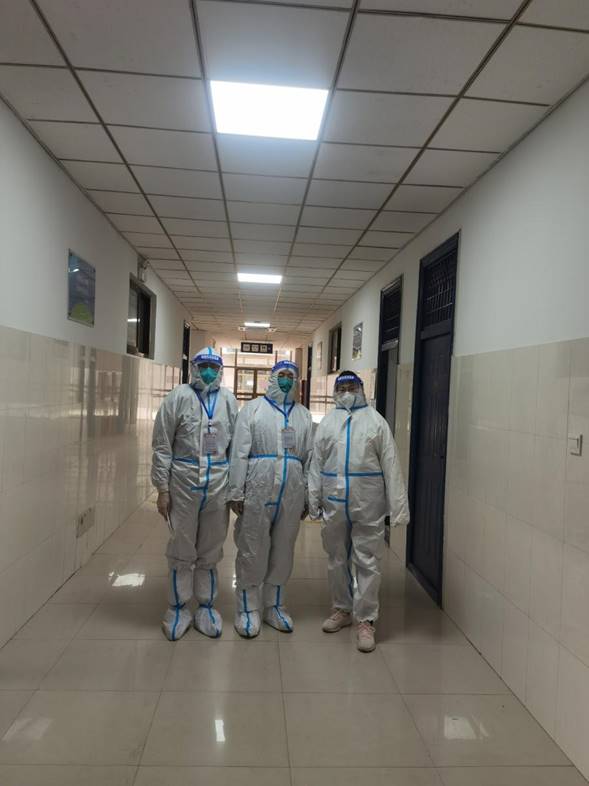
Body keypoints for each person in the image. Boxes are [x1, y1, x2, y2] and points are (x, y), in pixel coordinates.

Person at [308, 370, 409, 652]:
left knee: (368, 559)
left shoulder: (376, 422)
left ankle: (366, 620)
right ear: (335, 391)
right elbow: (316, 463)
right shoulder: (328, 422)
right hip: (334, 501)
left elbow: (391, 464)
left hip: (368, 502)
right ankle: (342, 609)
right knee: (336, 558)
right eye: (342, 387)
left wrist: (398, 507)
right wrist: (313, 498)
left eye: (352, 387)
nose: (347, 392)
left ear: (362, 389)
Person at [152, 347, 238, 641]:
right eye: (204, 366)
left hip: (218, 482)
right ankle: (177, 608)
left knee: (211, 548)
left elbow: (236, 447)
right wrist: (162, 489)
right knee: (182, 545)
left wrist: (235, 489)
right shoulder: (178, 397)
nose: (209, 371)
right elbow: (162, 445)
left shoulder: (228, 400)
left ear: (221, 370)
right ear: (194, 368)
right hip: (183, 480)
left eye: (214, 366)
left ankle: (205, 606)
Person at [227, 360, 313, 637]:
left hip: (292, 490)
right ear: (272, 377)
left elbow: (310, 457)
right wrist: (236, 490)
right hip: (258, 486)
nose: (286, 380)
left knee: (284, 548)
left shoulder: (303, 415)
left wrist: (307, 496)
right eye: (282, 375)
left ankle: (274, 606)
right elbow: (239, 452)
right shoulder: (253, 409)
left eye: (291, 376)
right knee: (252, 546)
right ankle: (247, 608)